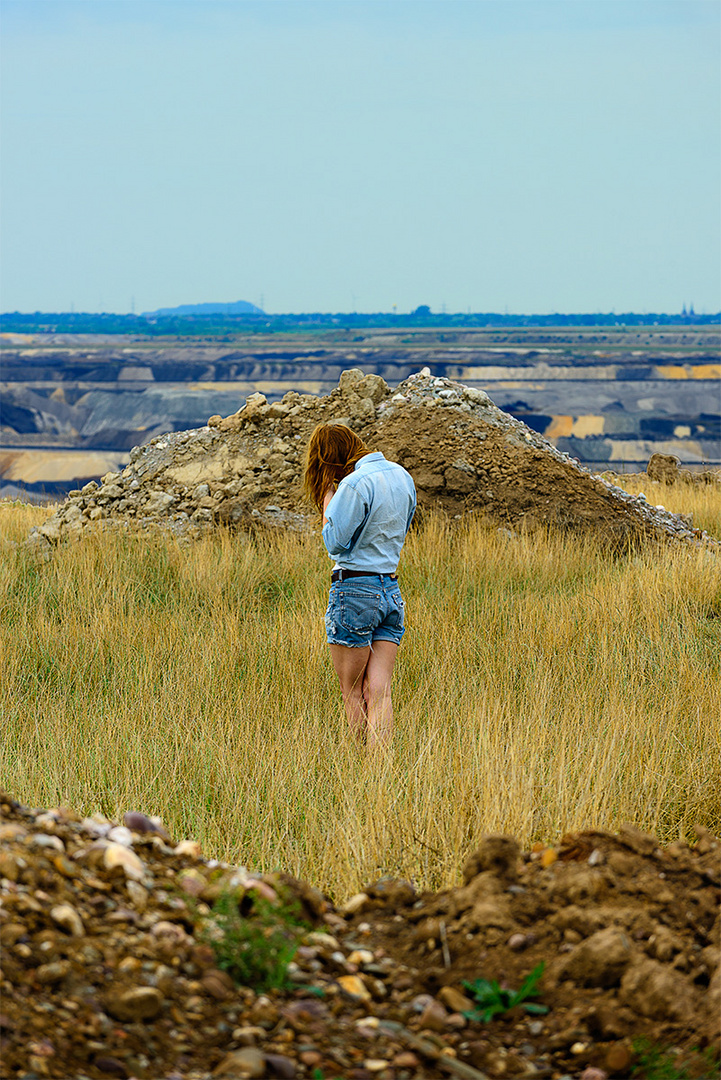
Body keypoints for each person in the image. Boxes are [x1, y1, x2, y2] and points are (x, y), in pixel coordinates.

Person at [303, 423, 416, 751]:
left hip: (354, 589)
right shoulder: (401, 476)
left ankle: (356, 766)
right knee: (380, 693)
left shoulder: (354, 484)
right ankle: (381, 770)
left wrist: (328, 500)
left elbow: (334, 544)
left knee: (352, 693)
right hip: (390, 589)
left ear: (328, 458)